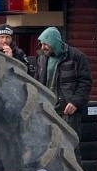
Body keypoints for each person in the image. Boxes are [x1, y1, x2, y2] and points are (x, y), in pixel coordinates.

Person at [34, 26, 93, 154]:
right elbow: (37, 81)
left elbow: (86, 83)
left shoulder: (77, 57)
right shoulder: (42, 58)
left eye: (46, 44)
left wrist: (75, 102)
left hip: (68, 111)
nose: (43, 47)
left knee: (70, 148)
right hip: (47, 110)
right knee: (46, 148)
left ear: (54, 42)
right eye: (41, 44)